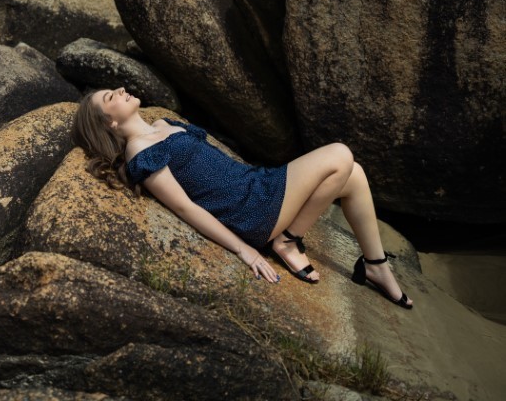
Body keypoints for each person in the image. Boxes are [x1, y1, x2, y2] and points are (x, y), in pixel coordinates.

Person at [72, 87, 412, 309]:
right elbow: (185, 207)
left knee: (354, 174)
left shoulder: (162, 124)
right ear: (110, 122)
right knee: (340, 154)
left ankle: (375, 266)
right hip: (249, 210)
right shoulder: (140, 152)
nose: (120, 89)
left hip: (255, 183)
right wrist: (242, 249)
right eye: (110, 96)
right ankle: (287, 241)